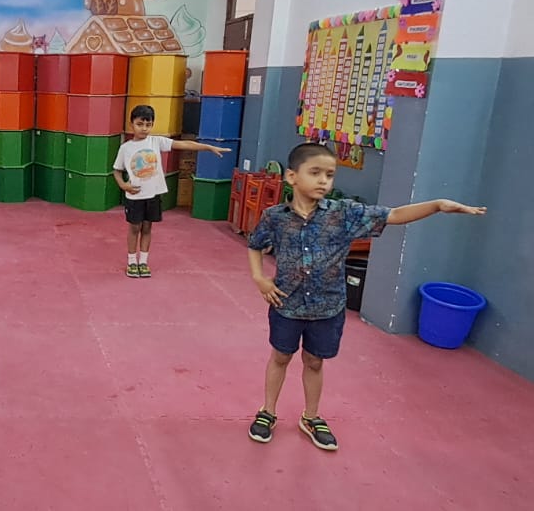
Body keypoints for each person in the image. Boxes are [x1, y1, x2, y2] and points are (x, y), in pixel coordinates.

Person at [246, 142, 485, 451]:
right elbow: (255, 244)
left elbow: (394, 214)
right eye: (315, 173)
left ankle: (311, 416)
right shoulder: (275, 217)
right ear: (292, 176)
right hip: (286, 304)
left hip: (328, 307)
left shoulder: (344, 213)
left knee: (315, 362)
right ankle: (268, 411)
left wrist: (437, 205)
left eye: (329, 175)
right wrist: (259, 278)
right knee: (280, 356)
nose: (323, 181)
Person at [113, 104, 229, 278]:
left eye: (148, 125)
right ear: (132, 124)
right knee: (134, 228)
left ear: (152, 125)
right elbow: (116, 171)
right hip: (135, 196)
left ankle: (143, 261)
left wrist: (208, 147)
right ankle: (131, 261)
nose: (144, 128)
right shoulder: (126, 148)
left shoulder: (156, 141)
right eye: (140, 124)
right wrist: (123, 185)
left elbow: (184, 144)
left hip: (153, 195)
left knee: (147, 227)